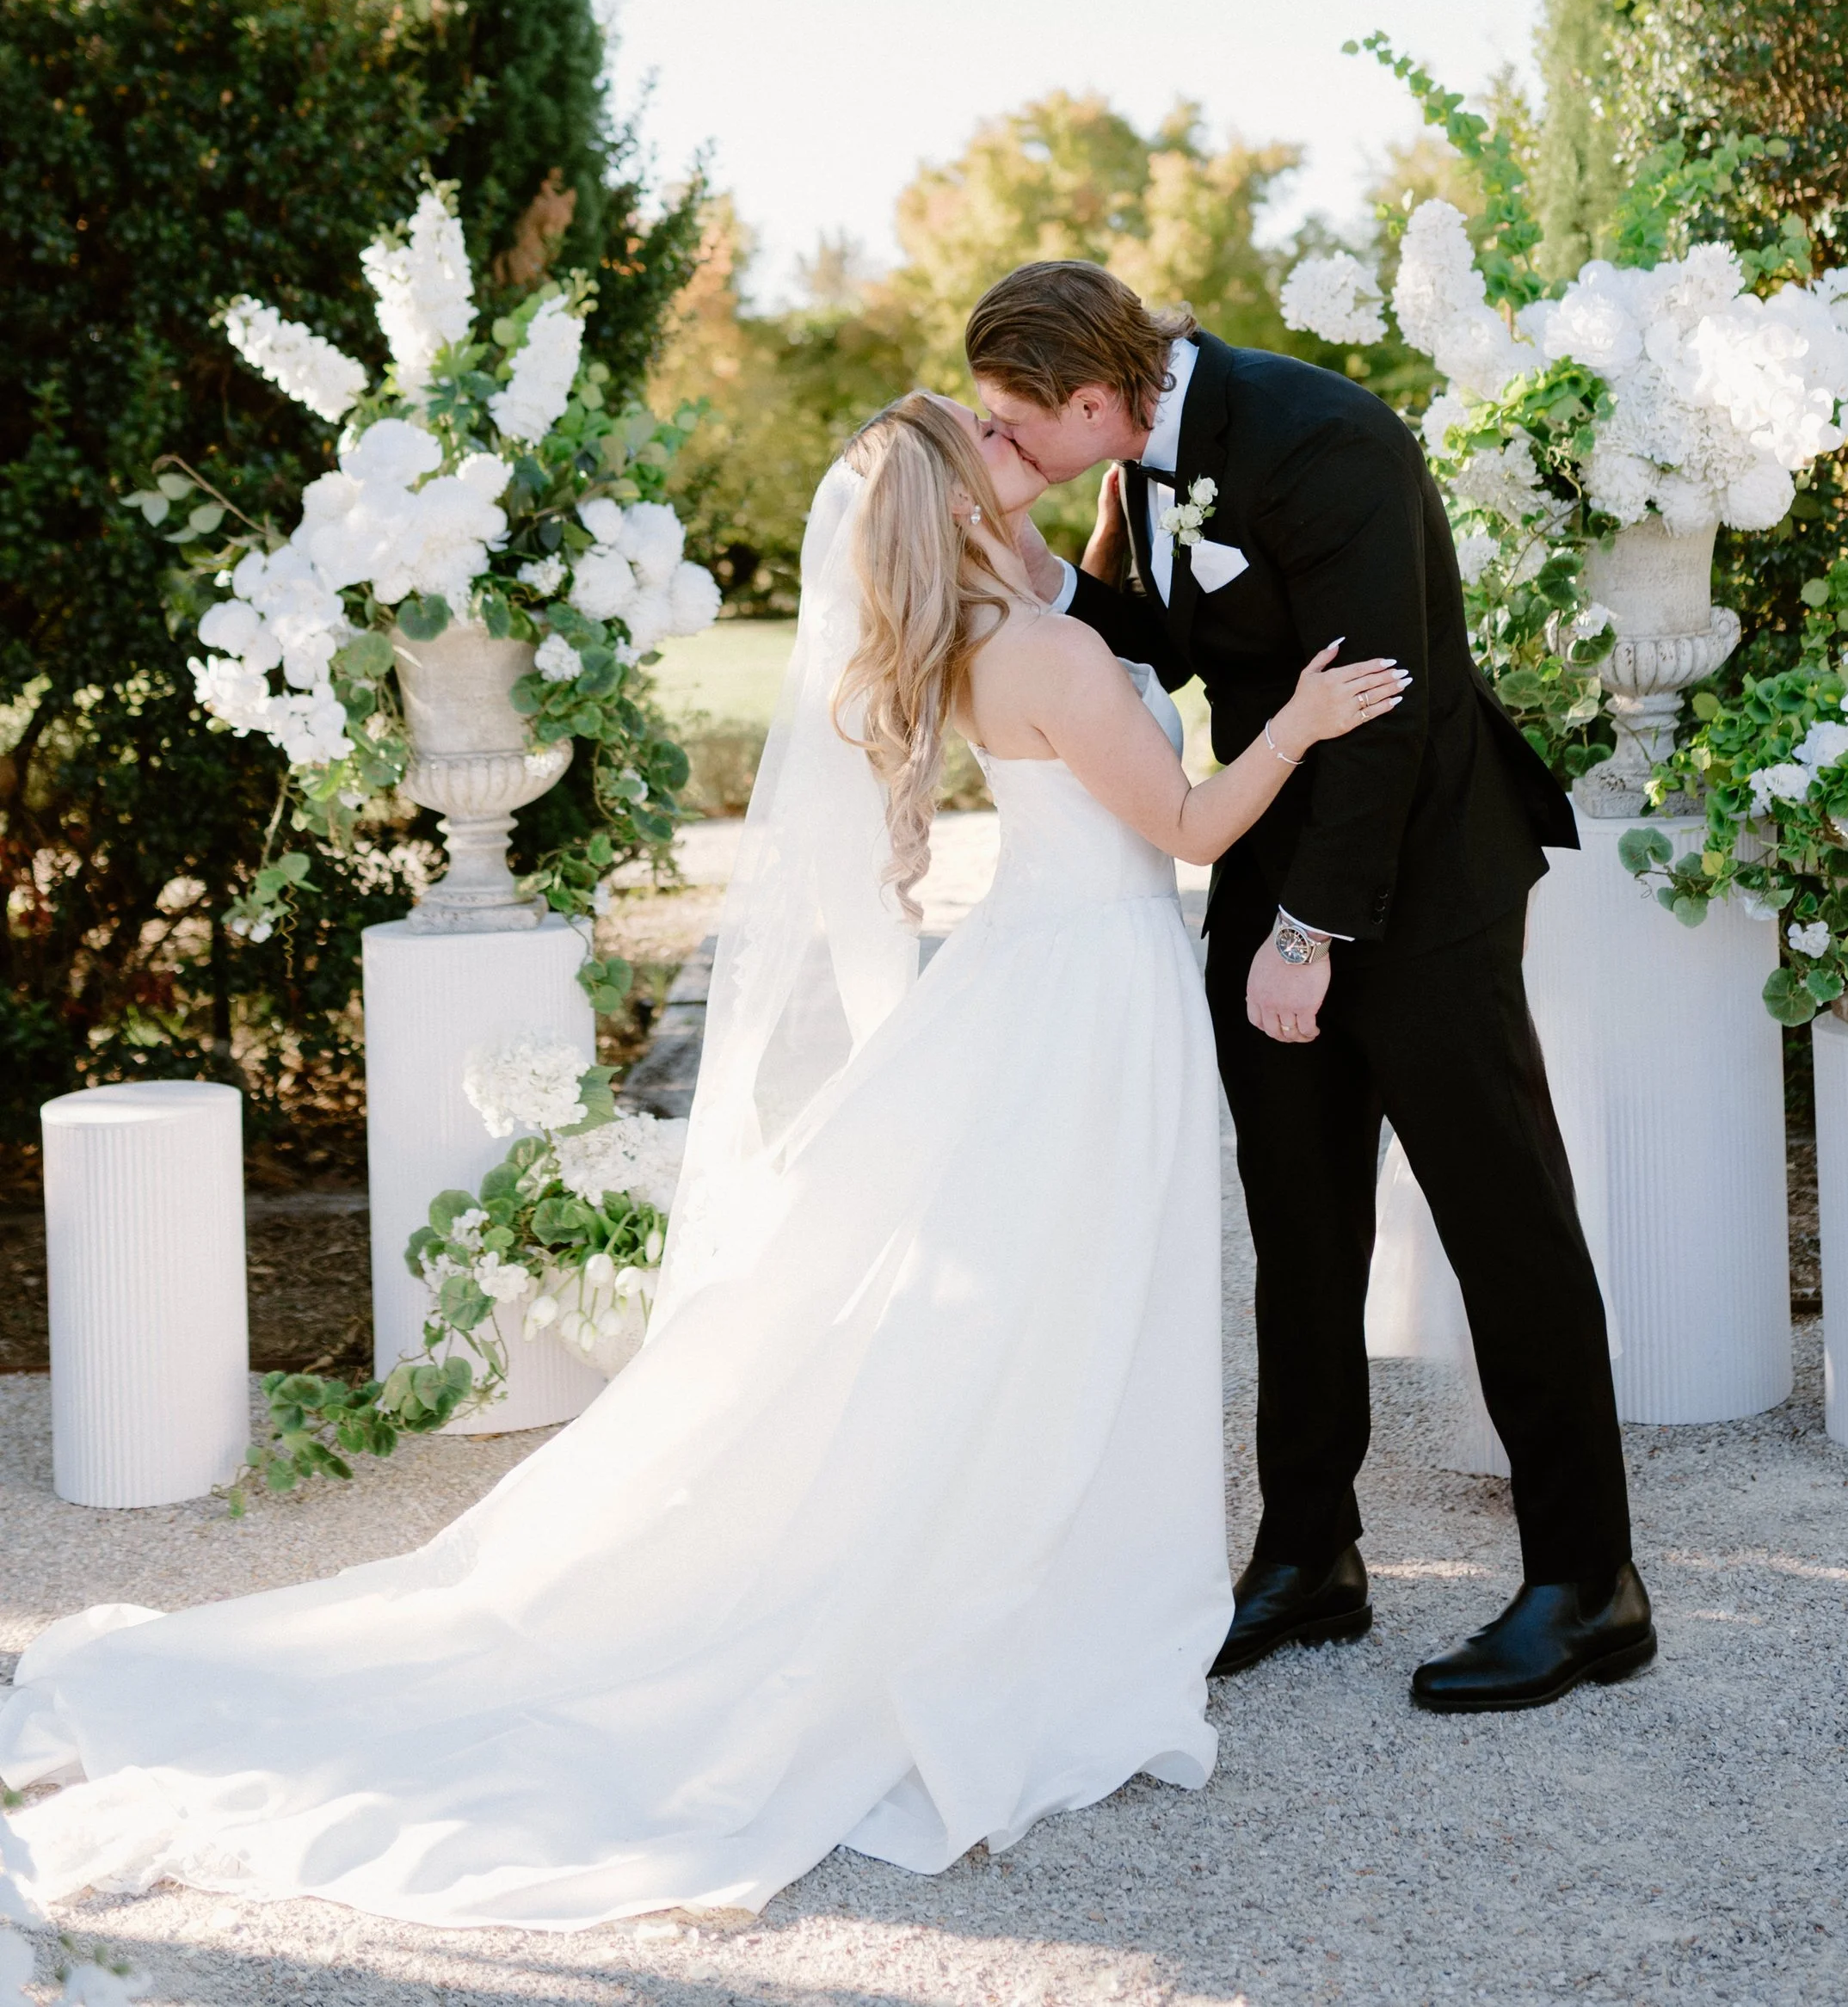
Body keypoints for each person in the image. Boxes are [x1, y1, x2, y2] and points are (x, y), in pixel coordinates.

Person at [0, 396, 1407, 1930]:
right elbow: (1194, 823)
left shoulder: (978, 638)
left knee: (1045, 1299)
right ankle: (1048, 1587)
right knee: (1074, 1293)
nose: (1021, 440)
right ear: (955, 507)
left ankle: (1050, 1563)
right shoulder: (1052, 656)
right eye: (992, 442)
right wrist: (1300, 722)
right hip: (1091, 992)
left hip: (1042, 977)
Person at [965, 260, 1653, 1711]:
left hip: (1427, 882)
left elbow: (1386, 710)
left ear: (1093, 397)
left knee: (1502, 1214)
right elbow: (1165, 641)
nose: (1007, 446)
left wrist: (1309, 935)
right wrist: (1036, 568)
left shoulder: (1319, 437)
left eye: (1016, 426)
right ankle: (1310, 1551)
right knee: (1298, 1219)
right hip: (1274, 861)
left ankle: (1591, 1585)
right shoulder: (1139, 458)